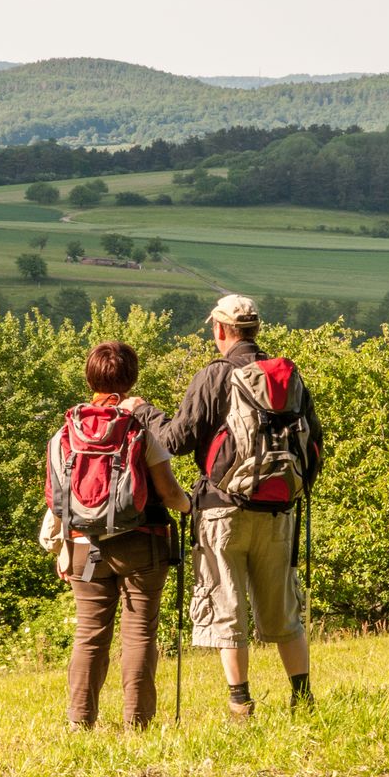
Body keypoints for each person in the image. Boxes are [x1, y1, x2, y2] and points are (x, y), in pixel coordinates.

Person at [126, 295, 322, 717]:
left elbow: (176, 441)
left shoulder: (214, 376)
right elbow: (316, 445)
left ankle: (240, 702)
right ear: (255, 330)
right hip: (278, 508)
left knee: (227, 603)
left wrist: (144, 412)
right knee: (282, 606)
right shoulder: (287, 376)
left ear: (220, 330)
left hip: (221, 510)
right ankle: (302, 698)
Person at [49, 341, 190, 729]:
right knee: (139, 634)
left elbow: (57, 497)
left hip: (83, 545)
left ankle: (80, 722)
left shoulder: (65, 433)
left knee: (89, 635)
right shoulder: (140, 431)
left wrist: (62, 545)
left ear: (88, 377)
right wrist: (194, 505)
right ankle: (138, 724)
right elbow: (170, 494)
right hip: (141, 542)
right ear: (132, 378)